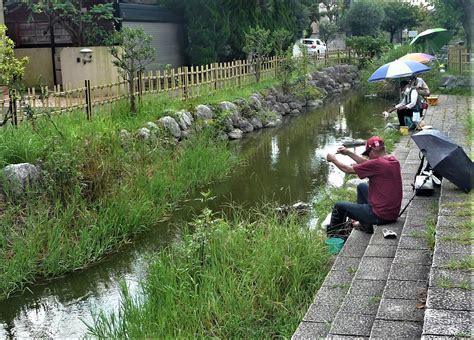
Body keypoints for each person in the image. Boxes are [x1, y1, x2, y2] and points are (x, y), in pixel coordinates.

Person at [325, 136, 402, 236]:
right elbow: (368, 164)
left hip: (380, 215)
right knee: (361, 186)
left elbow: (347, 169)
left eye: (368, 154)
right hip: (392, 213)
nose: (368, 157)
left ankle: (334, 238)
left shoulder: (377, 164)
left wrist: (333, 159)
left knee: (339, 206)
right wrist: (348, 153)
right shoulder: (392, 160)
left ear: (373, 151)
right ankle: (365, 225)